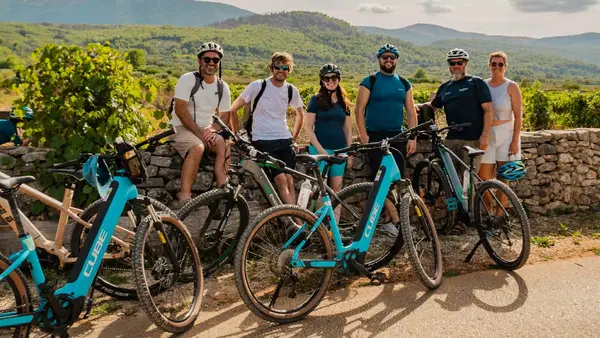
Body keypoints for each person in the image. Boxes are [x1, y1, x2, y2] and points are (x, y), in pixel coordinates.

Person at [354, 43, 418, 236]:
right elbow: (358, 109)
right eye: (385, 57)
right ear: (379, 60)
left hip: (398, 137)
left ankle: (393, 221)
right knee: (380, 180)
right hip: (376, 138)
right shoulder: (370, 81)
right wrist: (364, 135)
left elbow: (411, 111)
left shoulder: (404, 83)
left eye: (392, 57)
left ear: (396, 60)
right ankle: (396, 223)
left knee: (397, 180)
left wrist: (412, 136)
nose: (388, 60)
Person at [229, 52, 305, 205]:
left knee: (290, 180)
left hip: (284, 139)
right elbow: (233, 109)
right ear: (272, 68)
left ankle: (297, 221)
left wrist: (294, 139)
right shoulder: (258, 86)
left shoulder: (291, 90)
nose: (281, 70)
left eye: (285, 67)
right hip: (263, 140)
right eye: (278, 67)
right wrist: (237, 136)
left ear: (289, 70)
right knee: (281, 180)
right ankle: (297, 222)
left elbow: (300, 114)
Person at [170, 42, 232, 203]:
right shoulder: (188, 79)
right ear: (199, 61)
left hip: (205, 129)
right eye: (207, 59)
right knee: (198, 147)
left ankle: (223, 191)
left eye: (215, 60)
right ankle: (184, 195)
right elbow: (181, 110)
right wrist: (200, 133)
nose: (211, 63)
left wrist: (212, 131)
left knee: (224, 145)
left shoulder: (222, 86)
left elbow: (225, 116)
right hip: (181, 127)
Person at [428, 48, 494, 174]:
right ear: (449, 65)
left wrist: (485, 135)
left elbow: (488, 110)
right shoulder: (445, 87)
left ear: (465, 63)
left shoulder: (476, 83)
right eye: (452, 63)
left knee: (469, 180)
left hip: (472, 140)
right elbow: (433, 107)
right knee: (449, 179)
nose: (456, 66)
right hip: (451, 140)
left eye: (459, 63)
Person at [303, 63, 352, 219]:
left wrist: (348, 152)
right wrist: (321, 150)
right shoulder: (315, 100)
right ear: (322, 81)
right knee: (321, 189)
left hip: (339, 151)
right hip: (320, 151)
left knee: (337, 188)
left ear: (338, 79)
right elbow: (309, 128)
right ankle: (320, 226)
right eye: (326, 78)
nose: (331, 81)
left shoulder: (344, 101)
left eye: (334, 77)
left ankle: (334, 228)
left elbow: (348, 129)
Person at [479, 51, 523, 216]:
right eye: (494, 64)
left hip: (507, 135)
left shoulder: (511, 86)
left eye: (500, 64)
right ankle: (489, 213)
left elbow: (518, 116)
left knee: (504, 178)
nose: (497, 67)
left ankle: (500, 216)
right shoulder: (482, 85)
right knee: (484, 178)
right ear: (489, 65)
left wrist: (514, 141)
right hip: (488, 134)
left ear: (505, 66)